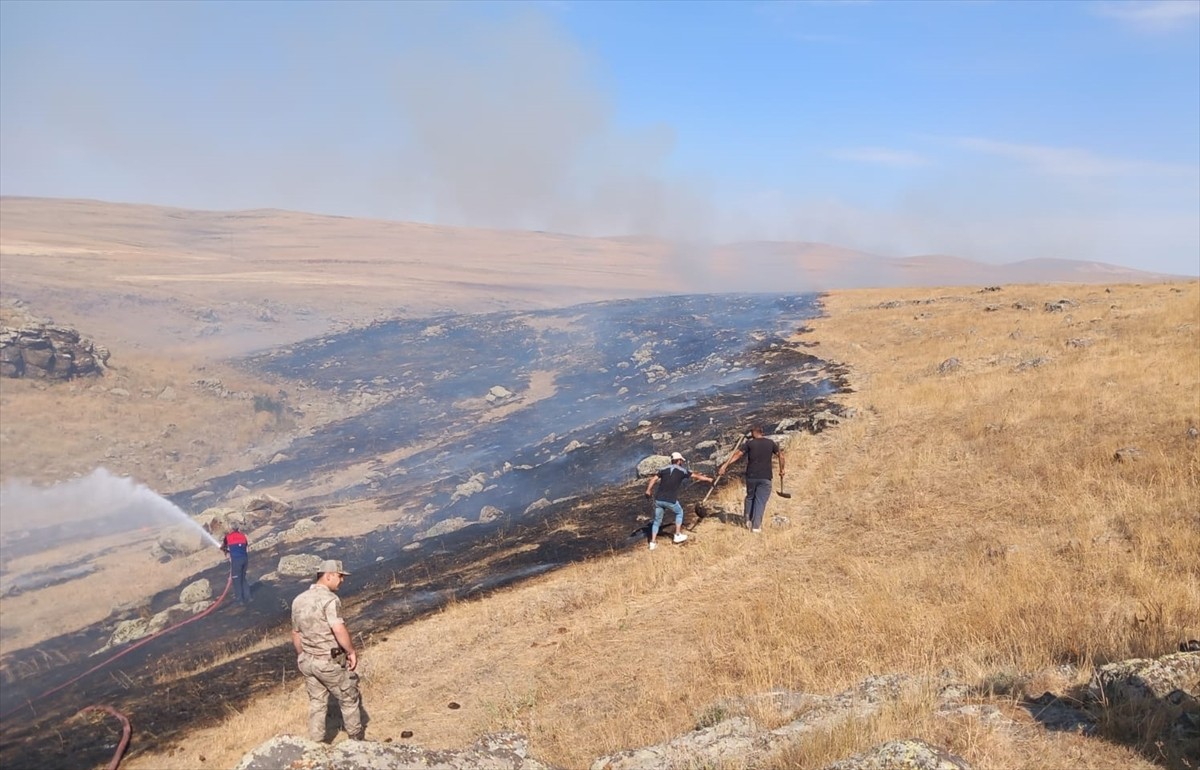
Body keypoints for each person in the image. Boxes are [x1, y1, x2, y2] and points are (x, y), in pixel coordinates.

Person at [291, 559, 364, 742]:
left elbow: (295, 633)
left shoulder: (298, 600)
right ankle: (357, 743)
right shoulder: (330, 600)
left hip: (308, 661)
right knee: (349, 699)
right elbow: (338, 628)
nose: (342, 580)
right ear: (328, 575)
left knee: (317, 703)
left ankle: (316, 744)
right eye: (340, 576)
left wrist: (302, 655)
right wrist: (351, 651)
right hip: (328, 662)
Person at [717, 425, 786, 533]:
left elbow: (737, 455)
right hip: (765, 476)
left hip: (751, 476)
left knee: (750, 497)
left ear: (753, 433)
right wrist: (782, 470)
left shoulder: (749, 443)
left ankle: (747, 519)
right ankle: (756, 526)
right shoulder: (770, 443)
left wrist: (725, 465)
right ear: (762, 432)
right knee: (760, 501)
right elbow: (781, 457)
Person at [644, 452, 714, 550]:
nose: (682, 462)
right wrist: (709, 479)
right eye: (681, 460)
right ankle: (677, 535)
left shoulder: (663, 469)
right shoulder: (682, 471)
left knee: (657, 521)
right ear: (678, 460)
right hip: (670, 499)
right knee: (679, 512)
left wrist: (648, 490)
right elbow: (696, 476)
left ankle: (652, 543)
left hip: (658, 499)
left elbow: (653, 480)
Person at [220, 523, 251, 602]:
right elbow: (246, 547)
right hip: (245, 559)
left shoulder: (228, 537)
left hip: (237, 561)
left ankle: (239, 600)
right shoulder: (243, 536)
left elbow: (223, 547)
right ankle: (248, 597)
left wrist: (226, 552)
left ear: (231, 529)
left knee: (236, 580)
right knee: (243, 578)